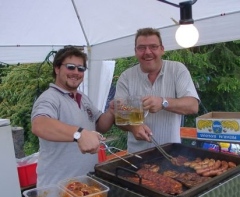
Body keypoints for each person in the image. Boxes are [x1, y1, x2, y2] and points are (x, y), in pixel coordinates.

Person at [31, 46, 115, 187]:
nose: (76, 72)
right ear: (57, 69)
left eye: (81, 69)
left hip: (86, 184)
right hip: (57, 190)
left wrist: (112, 111)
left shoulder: (83, 98)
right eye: (70, 67)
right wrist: (79, 134)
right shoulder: (49, 98)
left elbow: (101, 125)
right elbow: (39, 125)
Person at [114, 27, 200, 153]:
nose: (147, 52)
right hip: (137, 155)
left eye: (153, 46)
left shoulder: (177, 70)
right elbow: (119, 117)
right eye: (142, 48)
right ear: (135, 51)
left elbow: (193, 106)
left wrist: (163, 102)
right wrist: (133, 127)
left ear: (162, 49)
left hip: (171, 153)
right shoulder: (126, 77)